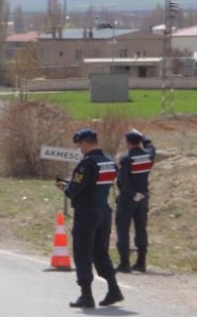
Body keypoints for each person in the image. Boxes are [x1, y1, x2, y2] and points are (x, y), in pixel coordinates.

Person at [55, 128, 124, 309]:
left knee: (83, 252)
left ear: (86, 142)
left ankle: (86, 295)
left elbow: (75, 190)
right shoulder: (109, 161)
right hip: (104, 211)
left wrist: (65, 187)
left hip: (87, 213)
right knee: (100, 252)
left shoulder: (87, 164)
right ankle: (113, 289)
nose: (79, 148)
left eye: (79, 144)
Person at [115, 129, 156, 273]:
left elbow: (123, 180)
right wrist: (143, 135)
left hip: (128, 198)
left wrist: (132, 194)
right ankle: (141, 262)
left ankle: (124, 263)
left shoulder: (126, 158)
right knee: (141, 228)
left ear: (127, 142)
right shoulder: (148, 156)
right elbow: (151, 147)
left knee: (123, 228)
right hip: (144, 196)